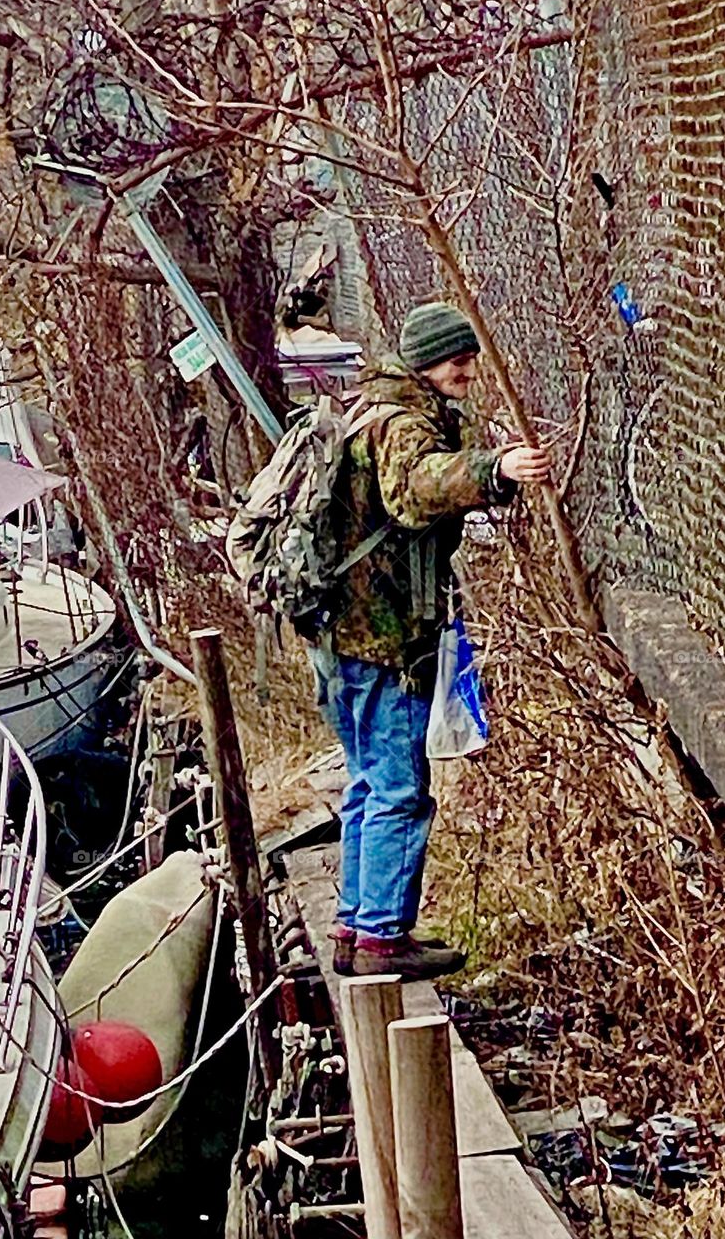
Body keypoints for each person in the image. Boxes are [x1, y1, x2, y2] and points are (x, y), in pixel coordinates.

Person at [310, 301, 551, 980]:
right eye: (459, 360)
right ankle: (383, 938)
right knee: (398, 788)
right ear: (427, 362)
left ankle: (355, 925)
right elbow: (416, 492)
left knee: (367, 782)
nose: (469, 371)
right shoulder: (401, 423)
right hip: (379, 639)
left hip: (342, 636)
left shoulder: (368, 407)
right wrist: (494, 470)